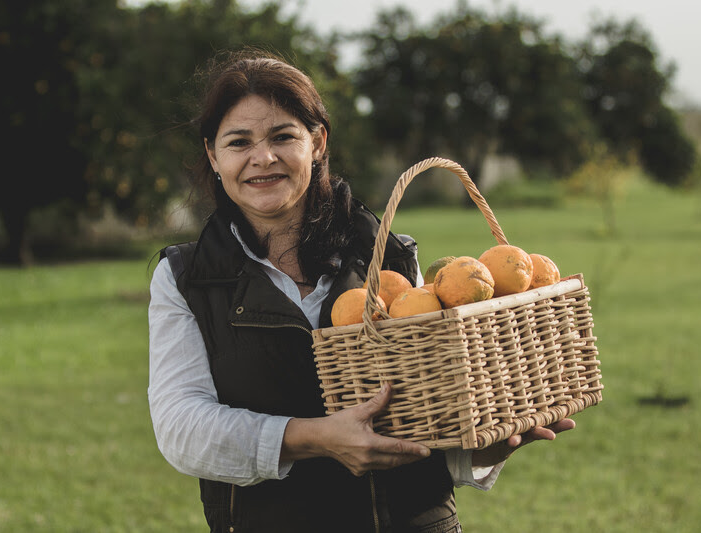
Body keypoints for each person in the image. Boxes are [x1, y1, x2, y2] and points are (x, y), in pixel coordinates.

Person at [147, 50, 575, 533]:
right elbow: (181, 428)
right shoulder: (186, 278)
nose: (262, 157)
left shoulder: (388, 256)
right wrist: (314, 438)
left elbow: (426, 411)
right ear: (213, 156)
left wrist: (486, 444)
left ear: (317, 142)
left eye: (283, 136)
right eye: (238, 142)